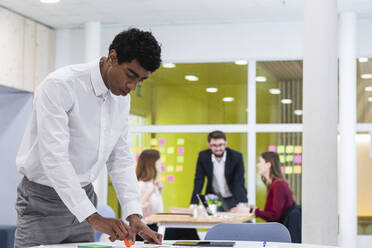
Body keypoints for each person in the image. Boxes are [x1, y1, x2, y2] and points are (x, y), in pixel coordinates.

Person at [14, 28, 162, 248]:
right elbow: (54, 158)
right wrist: (93, 217)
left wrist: (134, 214)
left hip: (84, 196)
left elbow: (119, 159)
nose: (132, 87)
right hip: (42, 202)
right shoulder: (60, 85)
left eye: (140, 80)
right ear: (113, 57)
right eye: (130, 75)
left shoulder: (121, 98)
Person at [136, 149, 199, 241]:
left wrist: (159, 191)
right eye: (159, 160)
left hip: (156, 225)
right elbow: (137, 212)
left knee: (187, 229)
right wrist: (150, 191)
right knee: (187, 230)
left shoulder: (154, 184)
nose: (161, 162)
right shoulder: (141, 184)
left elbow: (155, 210)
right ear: (151, 163)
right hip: (146, 230)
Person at [190, 130, 248, 211]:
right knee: (211, 220)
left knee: (234, 221)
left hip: (232, 196)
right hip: (213, 197)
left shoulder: (236, 157)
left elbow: (238, 181)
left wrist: (242, 202)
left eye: (220, 145)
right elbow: (199, 180)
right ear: (209, 145)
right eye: (214, 145)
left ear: (226, 144)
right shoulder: (203, 156)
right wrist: (194, 203)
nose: (218, 148)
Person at [230, 152, 294, 223]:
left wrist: (251, 211)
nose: (257, 165)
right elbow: (272, 213)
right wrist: (256, 210)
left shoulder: (278, 185)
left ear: (268, 164)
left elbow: (275, 216)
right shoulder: (273, 184)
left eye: (260, 162)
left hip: (278, 230)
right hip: (275, 228)